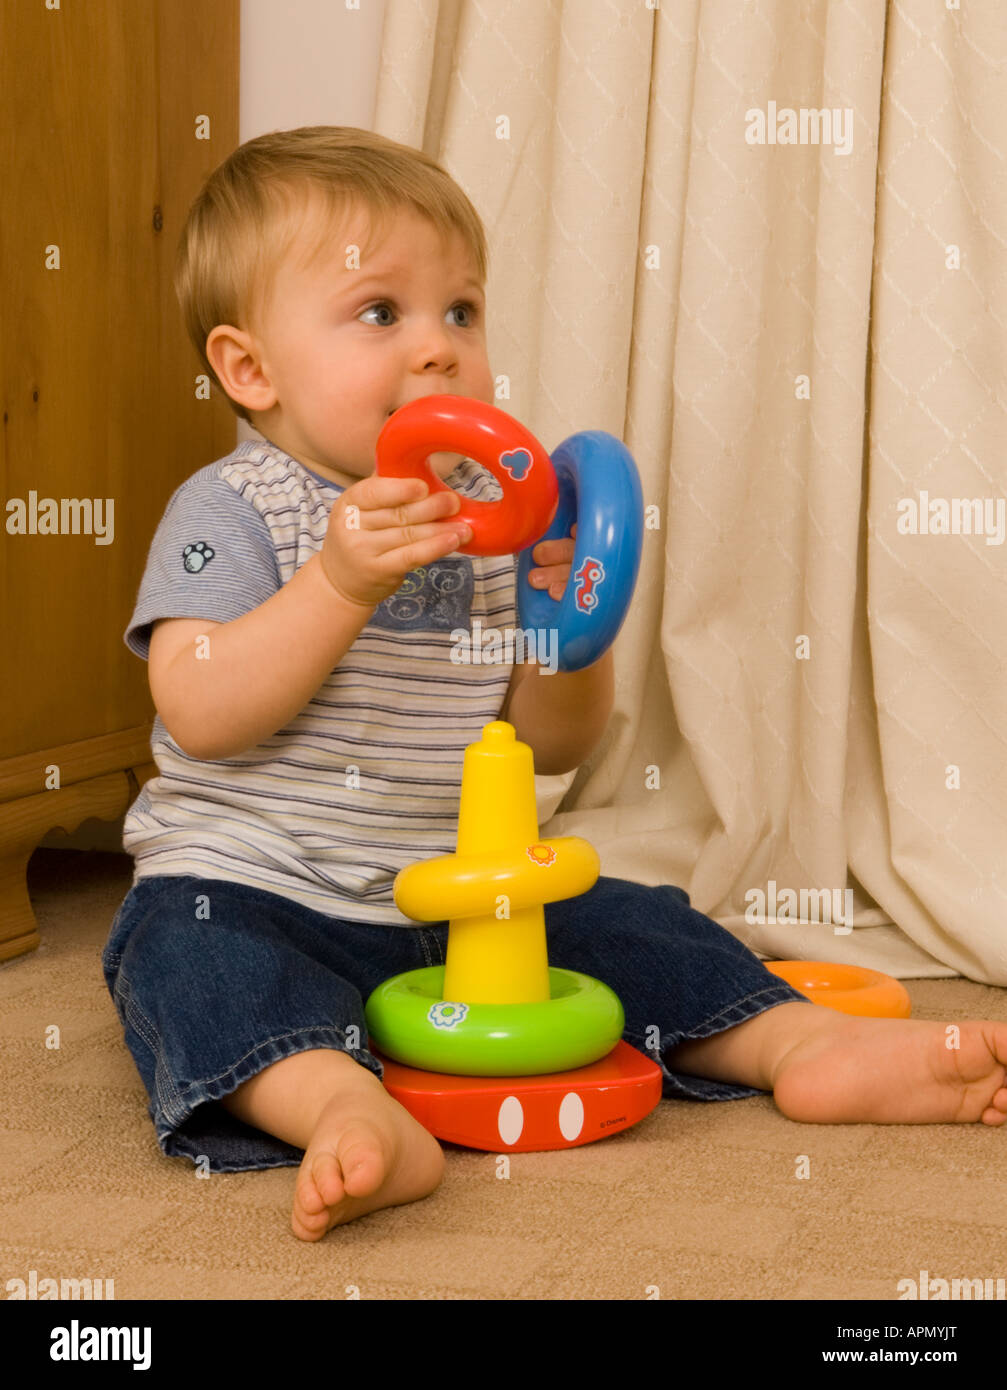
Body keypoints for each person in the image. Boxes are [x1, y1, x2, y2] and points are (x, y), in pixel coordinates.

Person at [103, 127, 1007, 1244]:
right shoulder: (236, 506)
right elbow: (200, 709)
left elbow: (554, 741)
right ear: (250, 369)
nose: (437, 350)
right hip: (257, 885)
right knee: (190, 960)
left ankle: (795, 1044)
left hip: (460, 894)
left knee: (634, 918)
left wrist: (563, 630)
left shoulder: (486, 527)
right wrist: (337, 578)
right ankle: (345, 1108)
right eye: (380, 313)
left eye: (461, 312)